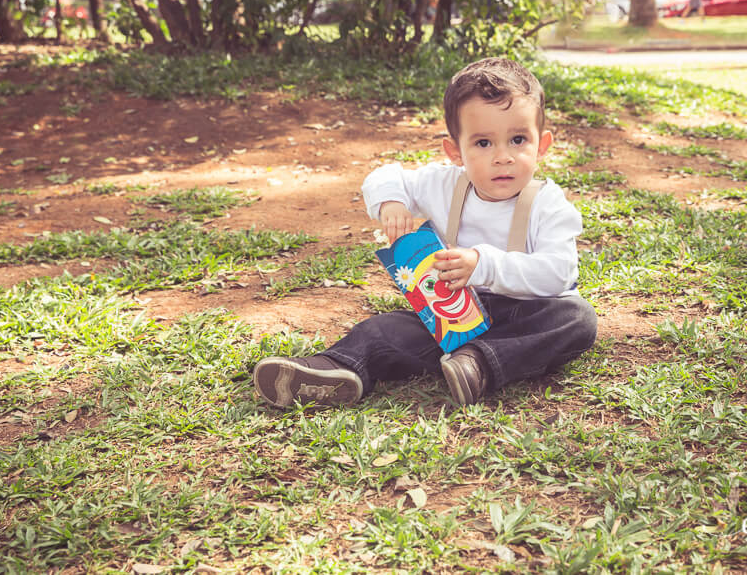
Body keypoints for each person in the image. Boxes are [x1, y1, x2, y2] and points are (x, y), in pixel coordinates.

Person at [253, 57, 597, 408]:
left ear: (541, 145)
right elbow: (385, 175)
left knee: (577, 320)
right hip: (450, 317)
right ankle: (335, 368)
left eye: (518, 139)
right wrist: (391, 203)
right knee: (384, 329)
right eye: (483, 143)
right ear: (455, 151)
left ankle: (479, 364)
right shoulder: (445, 184)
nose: (502, 157)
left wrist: (485, 266)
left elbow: (559, 273)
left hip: (523, 315)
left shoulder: (547, 203)